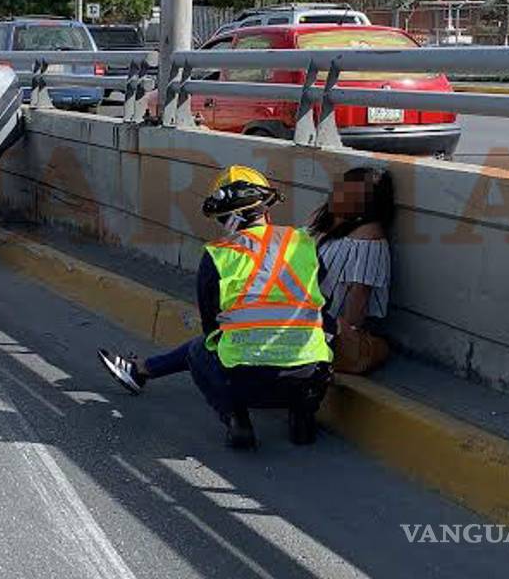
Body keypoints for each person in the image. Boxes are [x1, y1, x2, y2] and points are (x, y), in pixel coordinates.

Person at [99, 166, 333, 448]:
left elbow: (211, 328)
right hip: (308, 377)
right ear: (265, 207)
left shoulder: (219, 256)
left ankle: (236, 420)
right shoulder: (303, 243)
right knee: (320, 340)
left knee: (200, 348)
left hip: (246, 383)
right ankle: (303, 417)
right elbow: (321, 300)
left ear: (226, 219)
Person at [308, 167, 395, 374]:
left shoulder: (369, 238)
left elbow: (359, 295)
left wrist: (346, 338)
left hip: (327, 327)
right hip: (307, 317)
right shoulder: (329, 220)